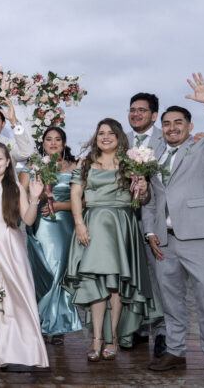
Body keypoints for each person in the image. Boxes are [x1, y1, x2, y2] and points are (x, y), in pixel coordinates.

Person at [144, 73, 204, 388]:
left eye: (178, 123)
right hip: (164, 242)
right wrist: (150, 233)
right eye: (167, 124)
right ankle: (176, 351)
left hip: (200, 237)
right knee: (171, 302)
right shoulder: (153, 159)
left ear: (189, 126)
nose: (172, 128)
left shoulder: (203, 148)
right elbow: (151, 200)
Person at [63, 118, 160, 362]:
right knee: (95, 281)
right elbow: (75, 194)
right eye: (101, 133)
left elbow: (142, 200)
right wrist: (79, 223)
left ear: (119, 137)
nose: (105, 137)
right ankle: (96, 337)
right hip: (93, 225)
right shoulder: (86, 163)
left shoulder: (130, 164)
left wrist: (143, 189)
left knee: (117, 284)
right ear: (95, 138)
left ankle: (113, 337)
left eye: (110, 133)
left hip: (122, 226)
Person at [0, 142, 49, 368]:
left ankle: (16, 349)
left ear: (8, 162)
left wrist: (34, 197)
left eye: (0, 158)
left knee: (15, 298)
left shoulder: (15, 188)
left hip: (10, 248)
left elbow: (28, 219)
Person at [19, 127, 82, 345]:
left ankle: (56, 325)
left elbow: (83, 200)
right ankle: (41, 320)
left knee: (59, 272)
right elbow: (20, 195)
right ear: (42, 143)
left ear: (64, 143)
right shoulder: (31, 167)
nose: (53, 143)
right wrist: (37, 198)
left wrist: (60, 205)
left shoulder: (75, 167)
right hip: (39, 224)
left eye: (58, 139)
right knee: (42, 272)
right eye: (49, 139)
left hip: (64, 225)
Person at [123, 93, 167, 356]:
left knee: (159, 278)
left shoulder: (166, 139)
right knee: (133, 275)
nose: (135, 114)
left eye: (142, 109)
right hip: (126, 219)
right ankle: (138, 327)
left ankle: (162, 333)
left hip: (157, 218)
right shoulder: (121, 140)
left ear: (154, 115)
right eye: (132, 109)